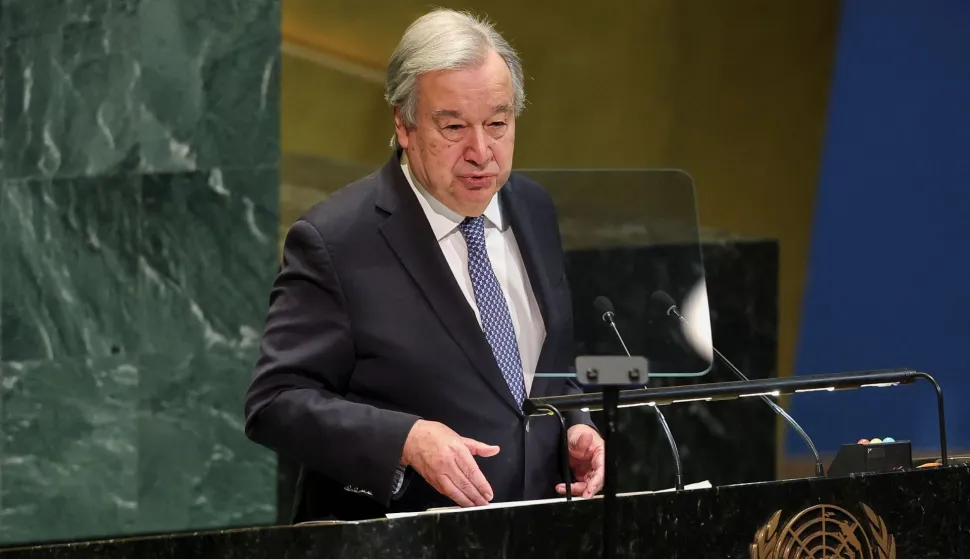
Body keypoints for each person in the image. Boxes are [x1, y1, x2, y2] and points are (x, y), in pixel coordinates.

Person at [244, 8, 605, 522]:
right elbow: (275, 403)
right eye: (454, 126)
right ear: (404, 124)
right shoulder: (336, 240)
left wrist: (576, 422)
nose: (481, 152)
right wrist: (405, 439)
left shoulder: (533, 208)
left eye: (498, 124)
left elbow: (544, 371)